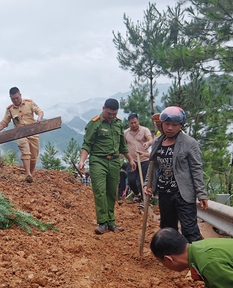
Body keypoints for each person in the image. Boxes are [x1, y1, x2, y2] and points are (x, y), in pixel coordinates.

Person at [144, 106, 208, 243]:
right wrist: (148, 185)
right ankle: (172, 257)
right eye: (167, 124)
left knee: (189, 229)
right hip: (164, 192)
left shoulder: (189, 143)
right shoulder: (157, 142)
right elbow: (153, 166)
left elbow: (196, 169)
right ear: (162, 124)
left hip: (183, 193)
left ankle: (195, 259)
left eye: (174, 125)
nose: (170, 128)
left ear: (181, 125)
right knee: (167, 228)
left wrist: (201, 193)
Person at [78, 98, 136, 234]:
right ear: (104, 109)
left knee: (111, 192)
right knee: (100, 191)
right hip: (98, 161)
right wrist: (82, 161)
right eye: (109, 113)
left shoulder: (118, 124)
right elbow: (87, 144)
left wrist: (131, 160)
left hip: (115, 161)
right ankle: (102, 222)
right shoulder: (95, 123)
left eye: (114, 114)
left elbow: (123, 145)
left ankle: (111, 222)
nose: (111, 116)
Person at [0, 87, 44, 182]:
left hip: (33, 133)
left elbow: (39, 111)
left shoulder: (29, 103)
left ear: (20, 95)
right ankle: (28, 173)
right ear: (10, 98)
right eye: (13, 99)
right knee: (25, 151)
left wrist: (39, 118)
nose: (15, 100)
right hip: (20, 134)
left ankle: (30, 175)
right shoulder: (10, 109)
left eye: (17, 98)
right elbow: (4, 122)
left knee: (34, 156)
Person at [124, 113, 153, 203]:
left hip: (144, 159)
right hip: (132, 160)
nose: (133, 125)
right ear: (129, 123)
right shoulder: (125, 133)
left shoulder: (144, 130)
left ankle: (144, 198)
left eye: (135, 122)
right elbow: (123, 145)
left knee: (144, 180)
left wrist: (147, 143)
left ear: (138, 121)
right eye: (131, 123)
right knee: (131, 180)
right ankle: (138, 194)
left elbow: (151, 140)